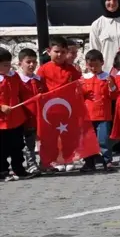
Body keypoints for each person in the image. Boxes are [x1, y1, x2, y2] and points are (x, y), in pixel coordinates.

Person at [37, 36, 82, 172]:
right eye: (56, 51)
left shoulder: (72, 70)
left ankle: (68, 158)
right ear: (49, 51)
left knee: (68, 135)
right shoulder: (43, 69)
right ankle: (52, 160)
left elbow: (79, 87)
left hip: (67, 109)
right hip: (50, 110)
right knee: (50, 137)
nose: (59, 55)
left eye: (63, 52)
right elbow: (39, 88)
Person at [82, 50, 117, 172]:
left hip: (103, 115)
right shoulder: (84, 79)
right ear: (86, 64)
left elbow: (113, 96)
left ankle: (107, 161)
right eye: (90, 65)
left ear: (102, 63)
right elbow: (80, 97)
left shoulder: (107, 77)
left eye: (96, 65)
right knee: (88, 140)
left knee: (103, 139)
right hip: (88, 115)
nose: (93, 68)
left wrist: (112, 86)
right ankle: (89, 162)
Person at [0, 47, 30, 181]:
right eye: (5, 65)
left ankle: (19, 169)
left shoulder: (14, 76)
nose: (8, 67)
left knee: (18, 146)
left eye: (9, 63)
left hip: (16, 118)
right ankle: (3, 171)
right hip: (1, 121)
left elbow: (22, 92)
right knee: (2, 148)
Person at [17, 48, 47, 175]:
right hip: (27, 118)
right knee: (29, 144)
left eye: (34, 62)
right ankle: (31, 164)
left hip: (40, 117)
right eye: (28, 62)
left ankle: (45, 163)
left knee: (44, 142)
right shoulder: (18, 80)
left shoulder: (39, 79)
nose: (31, 65)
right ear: (20, 63)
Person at [89, 0, 120, 75]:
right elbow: (94, 51)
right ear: (103, 1)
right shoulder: (97, 25)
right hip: (106, 73)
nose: (112, 3)